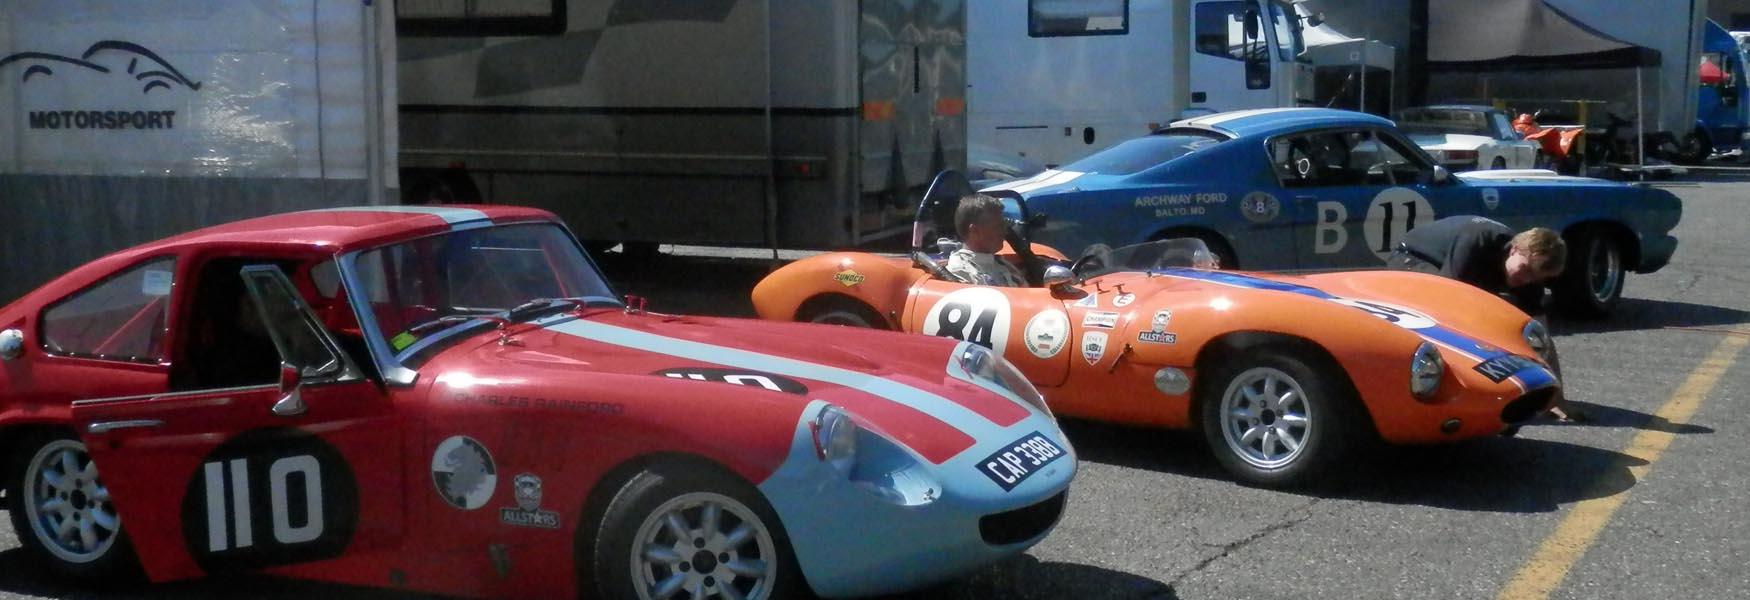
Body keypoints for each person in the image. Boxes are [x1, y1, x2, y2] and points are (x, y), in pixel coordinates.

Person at [1386, 215, 1580, 421]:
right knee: (1462, 312)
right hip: (1414, 258)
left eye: (1535, 277)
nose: (1526, 279)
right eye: (1525, 270)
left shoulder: (1528, 273)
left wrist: (1557, 398)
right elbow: (1446, 304)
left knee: (1496, 315)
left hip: (1465, 270)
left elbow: (1541, 335)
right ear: (1514, 250)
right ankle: (1435, 382)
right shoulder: (1476, 242)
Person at [945, 194, 1028, 287]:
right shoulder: (960, 272)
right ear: (974, 231)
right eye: (998, 227)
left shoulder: (1002, 264)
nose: (1005, 231)